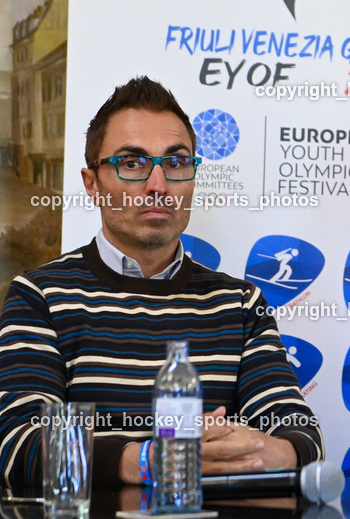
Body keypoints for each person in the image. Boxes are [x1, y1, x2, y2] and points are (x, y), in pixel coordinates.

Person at [0, 76, 324, 488]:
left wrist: (263, 451)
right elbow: (17, 444)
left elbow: (300, 431)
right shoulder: (40, 296)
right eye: (132, 163)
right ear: (92, 185)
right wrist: (155, 460)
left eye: (175, 163)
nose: (158, 186)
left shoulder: (240, 303)